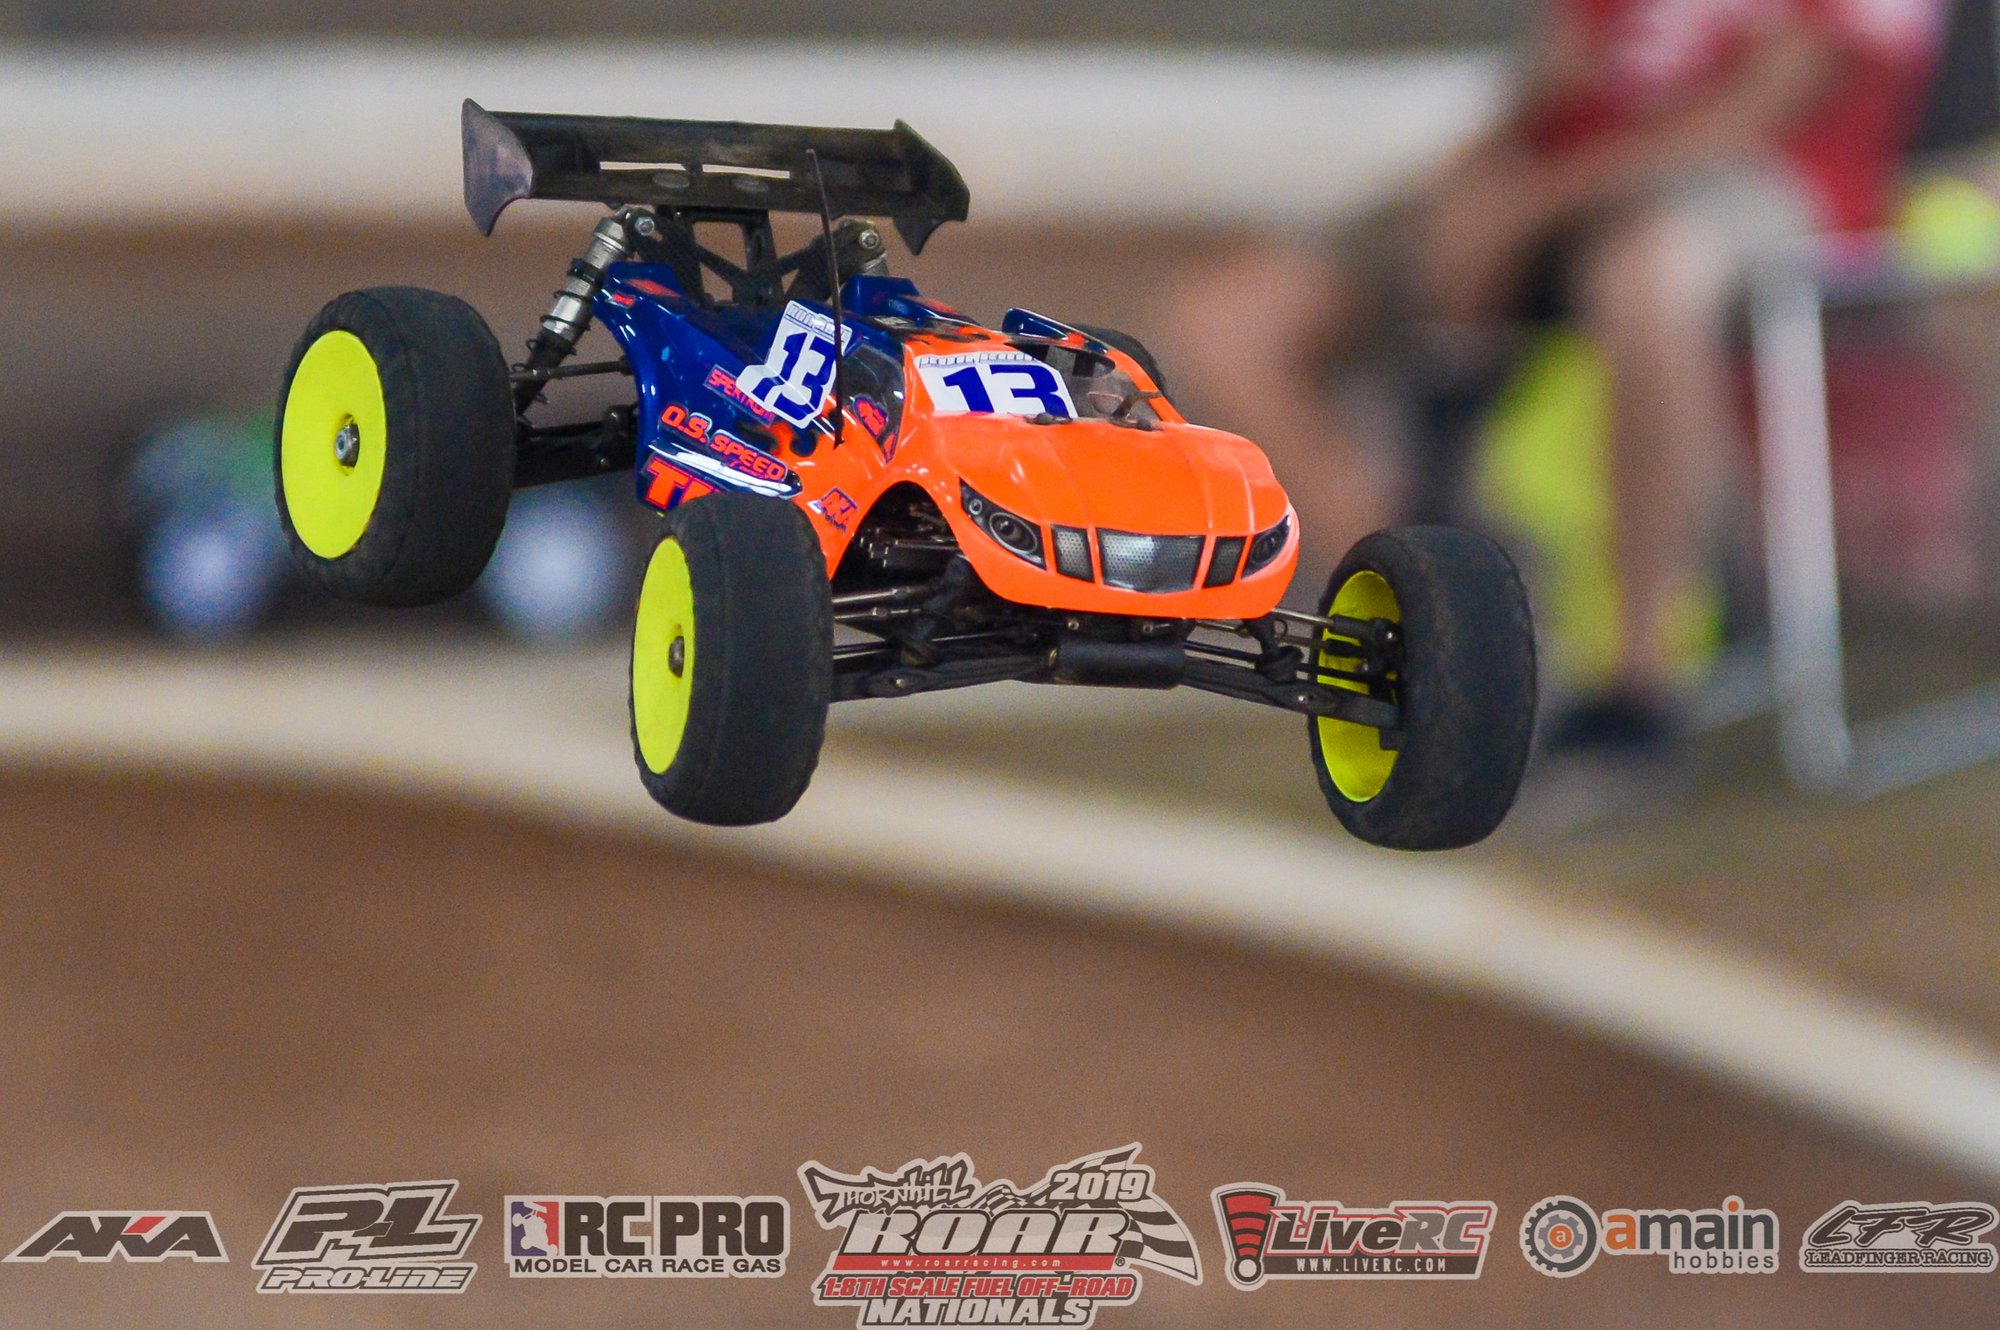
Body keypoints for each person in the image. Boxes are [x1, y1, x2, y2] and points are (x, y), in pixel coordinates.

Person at [1154, 0, 1948, 800]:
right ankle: (1435, 627)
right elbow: (1554, 78)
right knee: (1225, 320)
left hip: (1756, 186)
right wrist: (1475, 187)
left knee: (1647, 275)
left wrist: (1532, 206)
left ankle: (1637, 690)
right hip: (1552, 185)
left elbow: (1765, 106)